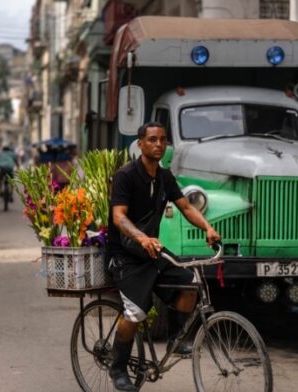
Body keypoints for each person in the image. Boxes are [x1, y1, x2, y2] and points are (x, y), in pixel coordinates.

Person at [107, 122, 221, 391]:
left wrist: (207, 226)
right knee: (135, 312)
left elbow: (185, 207)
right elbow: (118, 216)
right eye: (152, 139)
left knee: (189, 284)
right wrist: (141, 237)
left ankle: (176, 338)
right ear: (140, 144)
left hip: (153, 252)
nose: (159, 144)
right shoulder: (126, 176)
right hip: (125, 255)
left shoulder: (165, 177)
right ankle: (118, 367)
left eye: (163, 140)